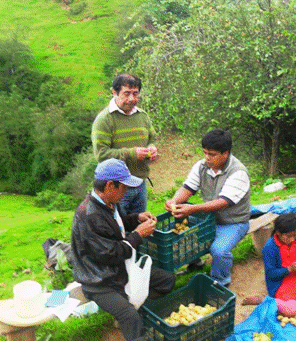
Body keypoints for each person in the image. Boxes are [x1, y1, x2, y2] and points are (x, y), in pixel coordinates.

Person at [71, 158, 175, 341]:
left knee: (167, 281)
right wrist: (138, 234)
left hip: (119, 269)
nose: (127, 191)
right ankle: (128, 312)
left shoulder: (108, 202)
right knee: (130, 317)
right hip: (99, 279)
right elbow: (111, 254)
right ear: (110, 185)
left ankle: (133, 304)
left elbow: (116, 225)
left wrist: (136, 218)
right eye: (124, 187)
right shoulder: (89, 216)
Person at [164, 128, 250, 287]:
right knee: (176, 227)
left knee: (219, 251)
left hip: (233, 222)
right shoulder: (201, 166)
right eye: (204, 152)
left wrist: (191, 209)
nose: (207, 158)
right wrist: (174, 201)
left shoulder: (238, 172)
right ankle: (194, 262)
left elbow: (222, 203)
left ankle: (220, 281)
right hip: (209, 218)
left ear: (225, 154)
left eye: (212, 154)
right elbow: (187, 188)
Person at [92, 73, 159, 215]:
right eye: (126, 93)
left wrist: (152, 148)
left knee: (138, 226)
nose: (131, 99)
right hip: (116, 187)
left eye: (135, 94)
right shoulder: (104, 119)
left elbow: (152, 138)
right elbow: (101, 155)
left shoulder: (142, 116)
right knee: (119, 229)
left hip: (140, 183)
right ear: (114, 92)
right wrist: (131, 153)